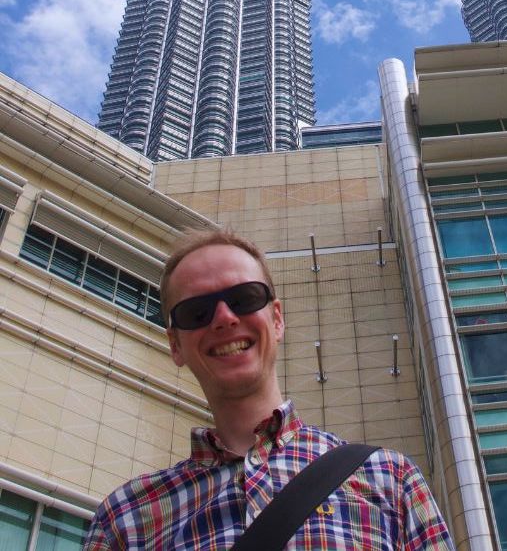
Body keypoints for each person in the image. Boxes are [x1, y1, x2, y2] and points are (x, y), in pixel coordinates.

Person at [83, 228, 456, 550]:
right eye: (197, 312)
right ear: (175, 345)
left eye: (244, 298)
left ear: (276, 319)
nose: (225, 318)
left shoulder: (390, 478)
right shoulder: (124, 518)